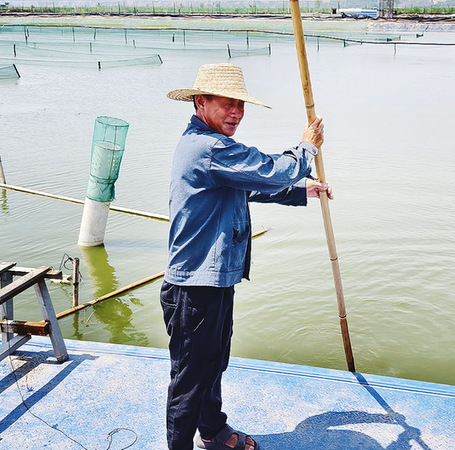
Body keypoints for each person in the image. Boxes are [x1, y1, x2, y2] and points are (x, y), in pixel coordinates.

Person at [161, 63, 332, 450]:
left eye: (240, 105)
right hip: (194, 286)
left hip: (214, 279)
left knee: (213, 363)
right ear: (200, 102)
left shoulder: (210, 148)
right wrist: (307, 147)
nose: (236, 113)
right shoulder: (209, 147)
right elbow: (271, 171)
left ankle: (213, 431)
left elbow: (248, 186)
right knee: (190, 379)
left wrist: (301, 191)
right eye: (228, 103)